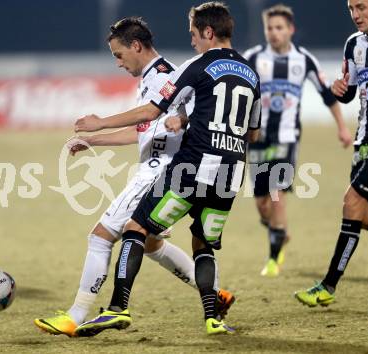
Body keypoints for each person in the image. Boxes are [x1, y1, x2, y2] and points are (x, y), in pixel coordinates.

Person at [33, 17, 234, 337]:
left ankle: (75, 314)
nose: (117, 63)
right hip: (168, 168)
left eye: (118, 54)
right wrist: (93, 141)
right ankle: (213, 292)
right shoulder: (154, 77)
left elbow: (161, 114)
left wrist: (100, 123)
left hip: (159, 171)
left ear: (136, 46)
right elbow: (145, 130)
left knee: (100, 236)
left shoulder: (163, 76)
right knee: (151, 243)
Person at [73, 2, 261, 336]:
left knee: (135, 229)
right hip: (230, 174)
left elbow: (150, 112)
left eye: (193, 34)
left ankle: (118, 309)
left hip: (193, 168)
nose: (191, 42)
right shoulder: (251, 74)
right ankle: (213, 319)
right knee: (203, 244)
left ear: (207, 32)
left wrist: (99, 124)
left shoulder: (197, 64)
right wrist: (190, 119)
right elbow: (254, 132)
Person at [243, 4, 353, 277]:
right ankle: (280, 233)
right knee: (261, 202)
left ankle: (273, 257)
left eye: (279, 28)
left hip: (287, 138)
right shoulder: (253, 58)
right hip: (256, 137)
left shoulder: (304, 60)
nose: (273, 33)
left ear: (290, 29)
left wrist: (342, 128)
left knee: (276, 193)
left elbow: (328, 96)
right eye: (269, 28)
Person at [295, 0, 368, 306]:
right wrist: (340, 89)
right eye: (350, 8)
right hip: (364, 140)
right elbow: (352, 91)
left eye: (362, 7)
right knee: (366, 218)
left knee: (351, 202)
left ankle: (328, 286)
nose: (355, 15)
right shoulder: (354, 45)